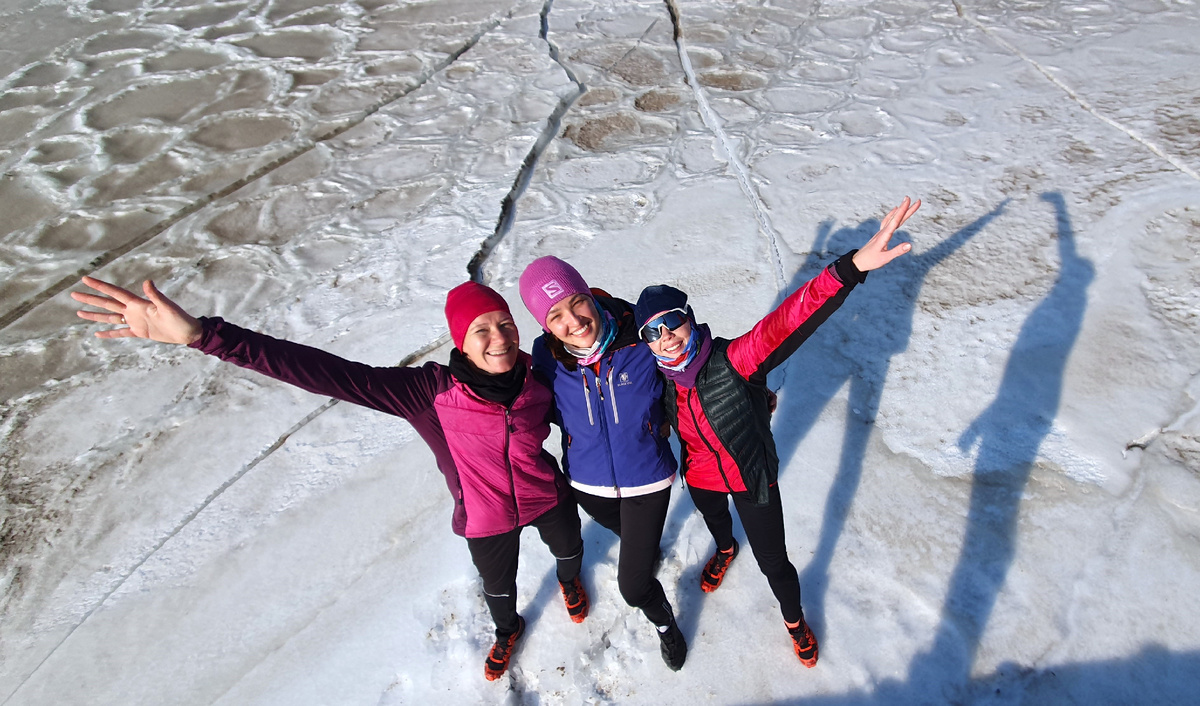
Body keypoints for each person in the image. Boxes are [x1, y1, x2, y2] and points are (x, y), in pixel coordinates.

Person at [71, 276, 588, 682]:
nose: (498, 337)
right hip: (485, 518)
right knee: (498, 587)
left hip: (548, 495)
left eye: (505, 324)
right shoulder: (426, 392)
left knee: (570, 550)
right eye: (482, 329)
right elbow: (319, 369)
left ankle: (569, 583)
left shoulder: (540, 373)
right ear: (461, 341)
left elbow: (599, 374)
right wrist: (204, 336)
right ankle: (507, 627)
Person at [632, 197, 921, 667]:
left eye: (671, 322)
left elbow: (791, 318)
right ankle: (725, 549)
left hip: (752, 478)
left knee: (775, 563)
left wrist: (851, 268)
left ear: (689, 317)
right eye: (652, 331)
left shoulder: (734, 358)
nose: (664, 336)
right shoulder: (661, 381)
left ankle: (793, 619)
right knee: (717, 525)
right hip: (702, 477)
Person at [518, 258, 686, 670]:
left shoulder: (640, 335)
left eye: (577, 303)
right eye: (555, 315)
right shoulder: (545, 359)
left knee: (633, 586)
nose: (573, 321)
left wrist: (749, 396)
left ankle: (666, 626)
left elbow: (692, 367)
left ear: (589, 294)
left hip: (647, 478)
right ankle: (642, 549)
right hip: (587, 485)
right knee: (628, 537)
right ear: (544, 325)